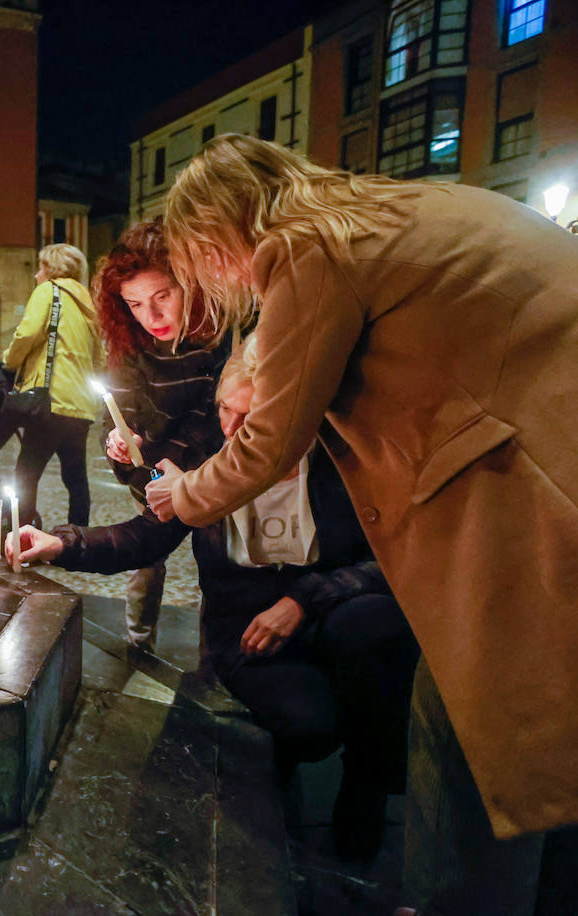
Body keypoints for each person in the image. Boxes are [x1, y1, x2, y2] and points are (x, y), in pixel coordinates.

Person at [148, 134, 578, 912]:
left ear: (222, 228)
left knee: (465, 722)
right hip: (555, 456)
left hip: (533, 493)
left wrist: (182, 498)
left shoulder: (306, 244)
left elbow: (270, 437)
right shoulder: (408, 207)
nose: (225, 277)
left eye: (207, 256)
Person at [11, 341, 418, 861]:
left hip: (329, 619)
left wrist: (302, 600)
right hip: (247, 634)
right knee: (312, 725)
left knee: (376, 624)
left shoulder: (339, 464)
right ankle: (275, 787)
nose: (231, 428)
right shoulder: (211, 465)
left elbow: (388, 562)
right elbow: (145, 538)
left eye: (250, 415)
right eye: (226, 408)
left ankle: (366, 786)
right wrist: (62, 543)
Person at [91, 218, 231, 651]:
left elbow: (213, 419)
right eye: (133, 304)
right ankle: (138, 643)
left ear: (188, 282)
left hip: (213, 478)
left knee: (219, 571)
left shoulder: (221, 337)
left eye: (161, 297)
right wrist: (118, 440)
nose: (149, 317)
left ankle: (215, 662)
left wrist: (188, 481)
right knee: (146, 563)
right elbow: (115, 412)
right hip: (151, 477)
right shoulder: (131, 344)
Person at [2, 243, 102, 527]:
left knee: (26, 473)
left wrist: (10, 360)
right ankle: (78, 539)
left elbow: (27, 333)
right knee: (75, 477)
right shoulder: (89, 305)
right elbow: (101, 357)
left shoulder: (49, 291)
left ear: (52, 269)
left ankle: (20, 536)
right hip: (80, 408)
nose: (36, 275)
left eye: (41, 268)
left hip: (51, 403)